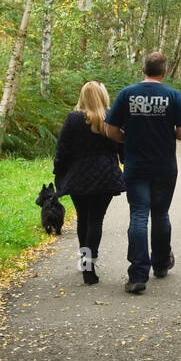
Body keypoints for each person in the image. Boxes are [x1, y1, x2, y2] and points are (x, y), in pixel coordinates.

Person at [104, 51, 181, 294]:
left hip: (135, 166)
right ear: (164, 71)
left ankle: (137, 275)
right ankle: (162, 264)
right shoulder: (173, 96)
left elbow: (110, 130)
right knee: (161, 214)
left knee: (139, 215)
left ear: (143, 69)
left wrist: (129, 138)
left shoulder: (126, 94)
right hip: (164, 167)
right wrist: (166, 132)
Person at [53, 80, 126, 285]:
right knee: (96, 220)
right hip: (105, 177)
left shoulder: (73, 119)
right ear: (103, 97)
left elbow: (62, 149)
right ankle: (90, 262)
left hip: (78, 177)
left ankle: (85, 263)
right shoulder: (111, 118)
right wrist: (125, 165)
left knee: (83, 219)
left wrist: (58, 172)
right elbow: (122, 147)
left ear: (82, 97)